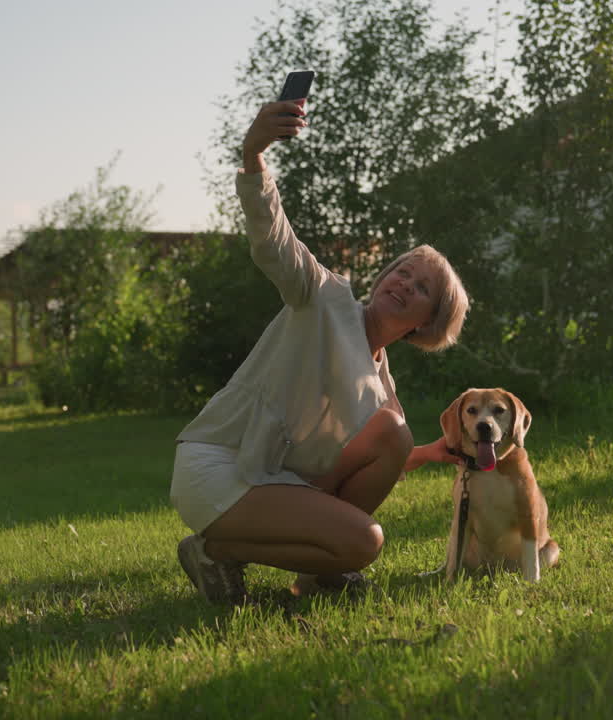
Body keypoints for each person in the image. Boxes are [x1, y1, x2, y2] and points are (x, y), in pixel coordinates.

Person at [169, 97, 470, 604]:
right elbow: (274, 241)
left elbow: (373, 456)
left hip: (271, 476)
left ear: (426, 324)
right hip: (222, 464)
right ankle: (214, 549)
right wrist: (254, 154)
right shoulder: (326, 298)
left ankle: (317, 575)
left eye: (420, 288)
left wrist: (431, 454)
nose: (403, 282)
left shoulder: (381, 381)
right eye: (402, 270)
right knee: (364, 541)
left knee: (394, 437)